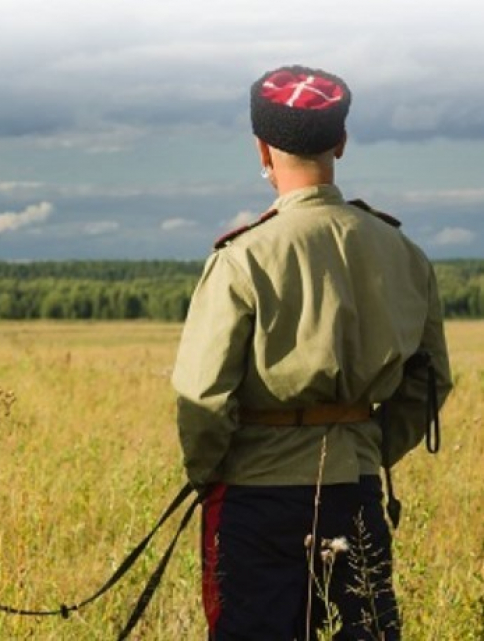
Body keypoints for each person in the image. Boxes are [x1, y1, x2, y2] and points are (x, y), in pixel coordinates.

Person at [171, 65, 453, 640]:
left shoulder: (243, 258)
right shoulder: (404, 252)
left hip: (257, 496)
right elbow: (430, 382)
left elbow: (202, 397)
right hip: (357, 490)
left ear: (262, 149)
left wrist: (211, 473)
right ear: (341, 142)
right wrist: (366, 446)